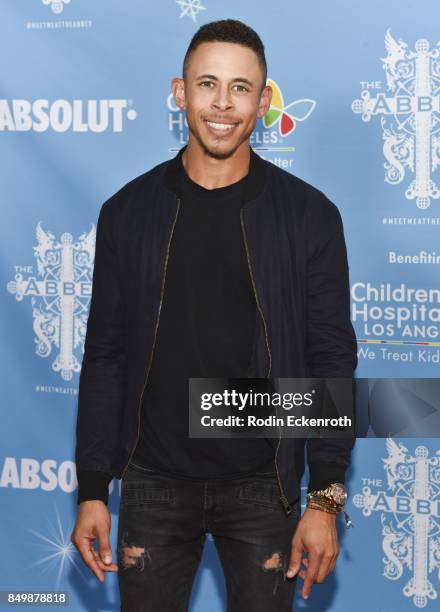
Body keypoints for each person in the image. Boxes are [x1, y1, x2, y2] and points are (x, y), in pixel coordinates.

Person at [71, 18, 358, 611]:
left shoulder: (309, 217)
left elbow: (331, 359)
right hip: (152, 483)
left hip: (264, 487)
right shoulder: (127, 213)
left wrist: (324, 499)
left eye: (240, 88)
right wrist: (93, 490)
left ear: (262, 100)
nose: (222, 104)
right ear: (180, 93)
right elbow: (105, 356)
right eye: (207, 84)